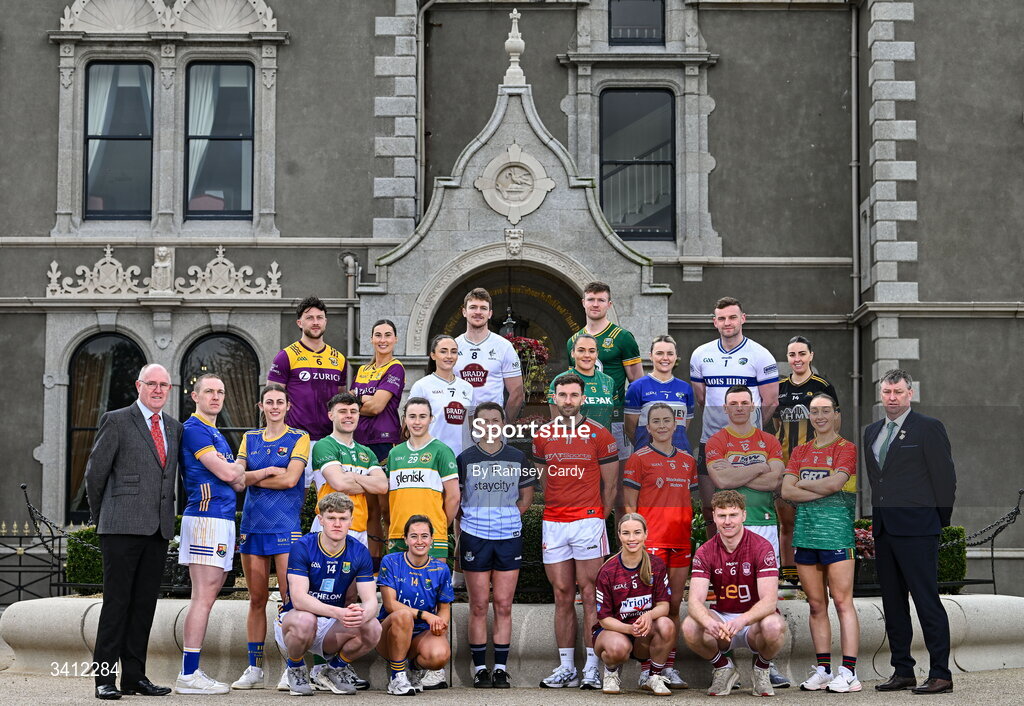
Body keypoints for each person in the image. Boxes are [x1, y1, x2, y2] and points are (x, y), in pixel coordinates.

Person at [84, 363, 182, 700]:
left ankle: (134, 677)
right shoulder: (117, 419)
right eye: (151, 384)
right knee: (116, 604)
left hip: (157, 529)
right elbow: (95, 475)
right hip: (120, 528)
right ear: (138, 385)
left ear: (170, 390)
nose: (157, 390)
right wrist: (105, 517)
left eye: (163, 385)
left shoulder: (174, 427)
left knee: (144, 607)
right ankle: (104, 679)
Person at [864, 369, 956, 695]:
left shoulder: (929, 428)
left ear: (910, 393)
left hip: (918, 531)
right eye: (887, 392)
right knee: (893, 605)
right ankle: (902, 670)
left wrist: (936, 524)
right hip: (885, 531)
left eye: (898, 392)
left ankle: (941, 674)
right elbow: (879, 482)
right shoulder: (871, 432)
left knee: (926, 602)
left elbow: (945, 480)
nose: (892, 397)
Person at [531, 373, 619, 690]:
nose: (568, 400)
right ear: (554, 398)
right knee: (562, 595)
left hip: (588, 522)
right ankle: (566, 667)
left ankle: (592, 668)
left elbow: (611, 486)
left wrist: (597, 517)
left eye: (573, 395)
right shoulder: (542, 436)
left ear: (583, 399)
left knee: (591, 594)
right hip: (554, 523)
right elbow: (544, 481)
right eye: (562, 395)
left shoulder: (600, 434)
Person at [230, 384, 310, 690]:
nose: (275, 406)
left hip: (286, 524)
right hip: (252, 525)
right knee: (257, 599)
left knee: (293, 600)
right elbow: (238, 480)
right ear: (260, 406)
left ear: (288, 406)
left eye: (280, 402)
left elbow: (291, 479)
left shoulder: (299, 437)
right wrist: (266, 472)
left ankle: (293, 667)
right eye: (269, 402)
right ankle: (254, 668)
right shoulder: (249, 438)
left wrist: (254, 476)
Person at [780, 393, 861, 693]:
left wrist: (803, 485)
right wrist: (817, 489)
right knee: (816, 605)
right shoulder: (800, 451)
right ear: (809, 416)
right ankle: (824, 670)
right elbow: (787, 492)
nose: (820, 416)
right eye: (815, 411)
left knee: (842, 602)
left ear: (836, 414)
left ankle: (849, 673)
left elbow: (836, 484)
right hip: (806, 536)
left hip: (837, 536)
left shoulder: (846, 448)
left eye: (826, 410)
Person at [175, 372, 247, 694]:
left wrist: (237, 471)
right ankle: (189, 674)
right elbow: (228, 472)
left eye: (220, 392)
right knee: (203, 598)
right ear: (195, 396)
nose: (215, 397)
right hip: (205, 518)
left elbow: (239, 480)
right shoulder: (194, 430)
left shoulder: (216, 433)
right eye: (209, 391)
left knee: (209, 594)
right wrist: (234, 470)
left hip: (221, 520)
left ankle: (191, 673)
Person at [457, 402, 536, 688]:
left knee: (503, 604)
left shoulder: (517, 456)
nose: (489, 425)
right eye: (483, 420)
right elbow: (457, 503)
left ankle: (500, 669)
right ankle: (480, 669)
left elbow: (525, 501)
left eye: (495, 420)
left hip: (508, 538)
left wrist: (502, 519)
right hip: (474, 537)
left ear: (504, 423)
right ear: (475, 426)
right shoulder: (464, 458)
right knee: (478, 605)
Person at [383, 397, 460, 691]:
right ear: (405, 419)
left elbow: (453, 497)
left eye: (422, 416)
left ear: (431, 419)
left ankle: (430, 665)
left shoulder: (441, 451)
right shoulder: (395, 454)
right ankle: (399, 666)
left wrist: (439, 526)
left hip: (434, 539)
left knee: (435, 599)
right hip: (397, 539)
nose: (417, 421)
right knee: (397, 601)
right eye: (412, 416)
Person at [689, 297, 779, 539]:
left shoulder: (760, 355)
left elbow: (770, 400)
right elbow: (702, 399)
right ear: (714, 322)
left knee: (747, 507)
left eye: (732, 317)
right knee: (710, 506)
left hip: (748, 443)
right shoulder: (700, 354)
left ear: (742, 318)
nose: (727, 323)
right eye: (722, 318)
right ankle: (715, 559)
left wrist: (747, 426)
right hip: (711, 440)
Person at [682, 490, 787, 697]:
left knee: (774, 625)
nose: (727, 521)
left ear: (744, 516)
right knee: (690, 626)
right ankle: (723, 667)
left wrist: (742, 621)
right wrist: (709, 622)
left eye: (733, 515)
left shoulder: (761, 546)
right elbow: (694, 601)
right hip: (722, 620)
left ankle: (761, 669)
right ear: (714, 517)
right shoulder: (705, 551)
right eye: (722, 516)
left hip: (753, 621)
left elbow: (769, 601)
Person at [274, 492, 381, 696]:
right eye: (331, 518)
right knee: (305, 619)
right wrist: (339, 613)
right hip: (296, 621)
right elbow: (299, 599)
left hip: (331, 626)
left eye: (343, 518)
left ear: (351, 520)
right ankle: (295, 668)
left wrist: (360, 614)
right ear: (321, 520)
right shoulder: (303, 546)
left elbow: (370, 602)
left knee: (373, 627)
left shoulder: (359, 551)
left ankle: (333, 670)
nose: (337, 524)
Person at [622, 402, 697, 689]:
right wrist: (635, 543)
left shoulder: (688, 461)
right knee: (650, 607)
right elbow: (630, 504)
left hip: (679, 541)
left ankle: (668, 667)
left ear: (676, 424)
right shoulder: (638, 459)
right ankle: (646, 669)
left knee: (674, 605)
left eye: (668, 420)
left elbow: (689, 501)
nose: (663, 425)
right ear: (648, 426)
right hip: (651, 543)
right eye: (656, 421)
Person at [774, 335, 839, 585]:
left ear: (811, 355)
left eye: (802, 353)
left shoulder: (823, 385)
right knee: (787, 522)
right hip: (787, 464)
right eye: (792, 354)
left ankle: (820, 576)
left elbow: (835, 424)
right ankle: (790, 578)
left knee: (816, 521)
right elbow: (778, 423)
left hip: (816, 467)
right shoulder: (780, 387)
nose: (797, 359)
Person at [593, 513, 676, 697]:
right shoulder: (607, 570)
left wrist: (649, 615)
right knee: (617, 649)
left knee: (666, 624)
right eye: (626, 533)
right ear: (620, 535)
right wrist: (629, 629)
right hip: (614, 630)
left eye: (637, 532)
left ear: (645, 534)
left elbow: (664, 606)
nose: (632, 538)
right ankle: (611, 672)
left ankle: (653, 677)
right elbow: (604, 618)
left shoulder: (656, 565)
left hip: (642, 633)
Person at [377, 515, 455, 696]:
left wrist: (440, 625)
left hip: (420, 634)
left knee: (440, 655)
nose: (419, 541)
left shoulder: (441, 569)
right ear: (405, 539)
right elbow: (390, 604)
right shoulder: (391, 561)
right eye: (413, 536)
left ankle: (413, 670)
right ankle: (396, 677)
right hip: (389, 632)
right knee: (403, 615)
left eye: (424, 536)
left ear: (432, 540)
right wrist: (427, 615)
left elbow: (444, 608)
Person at [705, 386, 785, 558]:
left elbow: (775, 481)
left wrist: (733, 472)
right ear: (725, 408)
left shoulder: (770, 441)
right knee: (730, 583)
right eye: (733, 404)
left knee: (766, 583)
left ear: (753, 406)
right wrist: (758, 468)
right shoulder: (715, 441)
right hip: (729, 524)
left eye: (744, 403)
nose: (739, 407)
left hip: (764, 522)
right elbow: (722, 481)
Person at [566, 281, 643, 460]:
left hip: (615, 416)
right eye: (591, 299)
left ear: (609, 304)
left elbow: (637, 382)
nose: (595, 304)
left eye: (601, 300)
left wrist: (632, 420)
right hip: (582, 416)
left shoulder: (623, 337)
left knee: (617, 473)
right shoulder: (573, 341)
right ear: (583, 302)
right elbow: (571, 382)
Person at [351, 318, 406, 563]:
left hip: (385, 443)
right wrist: (362, 401)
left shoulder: (396, 368)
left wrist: (357, 403)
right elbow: (348, 403)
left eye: (387, 335)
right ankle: (373, 566)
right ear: (371, 339)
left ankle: (393, 561)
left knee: (387, 509)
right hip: (360, 443)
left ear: (395, 339)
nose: (382, 340)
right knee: (370, 509)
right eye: (378, 335)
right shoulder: (363, 370)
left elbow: (376, 407)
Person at [267, 295, 347, 445]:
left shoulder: (339, 359)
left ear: (325, 322)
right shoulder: (286, 356)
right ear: (300, 323)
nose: (315, 322)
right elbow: (270, 399)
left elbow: (341, 400)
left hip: (331, 440)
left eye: (319, 318)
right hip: (294, 439)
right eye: (310, 318)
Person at [311, 393, 389, 547]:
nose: (349, 416)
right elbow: (340, 484)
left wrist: (352, 476)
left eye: (353, 412)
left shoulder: (366, 452)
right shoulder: (324, 445)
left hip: (359, 526)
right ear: (331, 415)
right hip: (329, 526)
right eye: (342, 411)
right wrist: (367, 483)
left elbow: (382, 486)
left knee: (356, 572)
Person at [453, 287, 524, 421]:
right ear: (464, 312)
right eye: (473, 307)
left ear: (490, 313)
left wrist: (504, 424)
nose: (478, 312)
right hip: (457, 426)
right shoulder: (453, 346)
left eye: (483, 308)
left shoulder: (504, 346)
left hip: (492, 428)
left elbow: (517, 393)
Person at [624, 334, 695, 453]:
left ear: (676, 356)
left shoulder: (685, 388)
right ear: (651, 356)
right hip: (647, 457)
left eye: (670, 354)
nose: (665, 358)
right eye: (659, 353)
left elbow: (683, 427)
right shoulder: (637, 387)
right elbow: (630, 430)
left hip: (681, 456)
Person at [410, 334, 474, 457]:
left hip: (462, 457)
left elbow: (470, 425)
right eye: (443, 351)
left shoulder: (468, 387)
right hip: (431, 457)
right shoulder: (422, 386)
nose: (449, 356)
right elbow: (410, 425)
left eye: (453, 352)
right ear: (433, 355)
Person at [548, 333, 616, 429]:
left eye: (592, 351)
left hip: (602, 441)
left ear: (597, 354)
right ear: (572, 353)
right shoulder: (560, 381)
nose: (587, 355)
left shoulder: (608, 381)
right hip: (573, 441)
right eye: (581, 350)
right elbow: (556, 422)